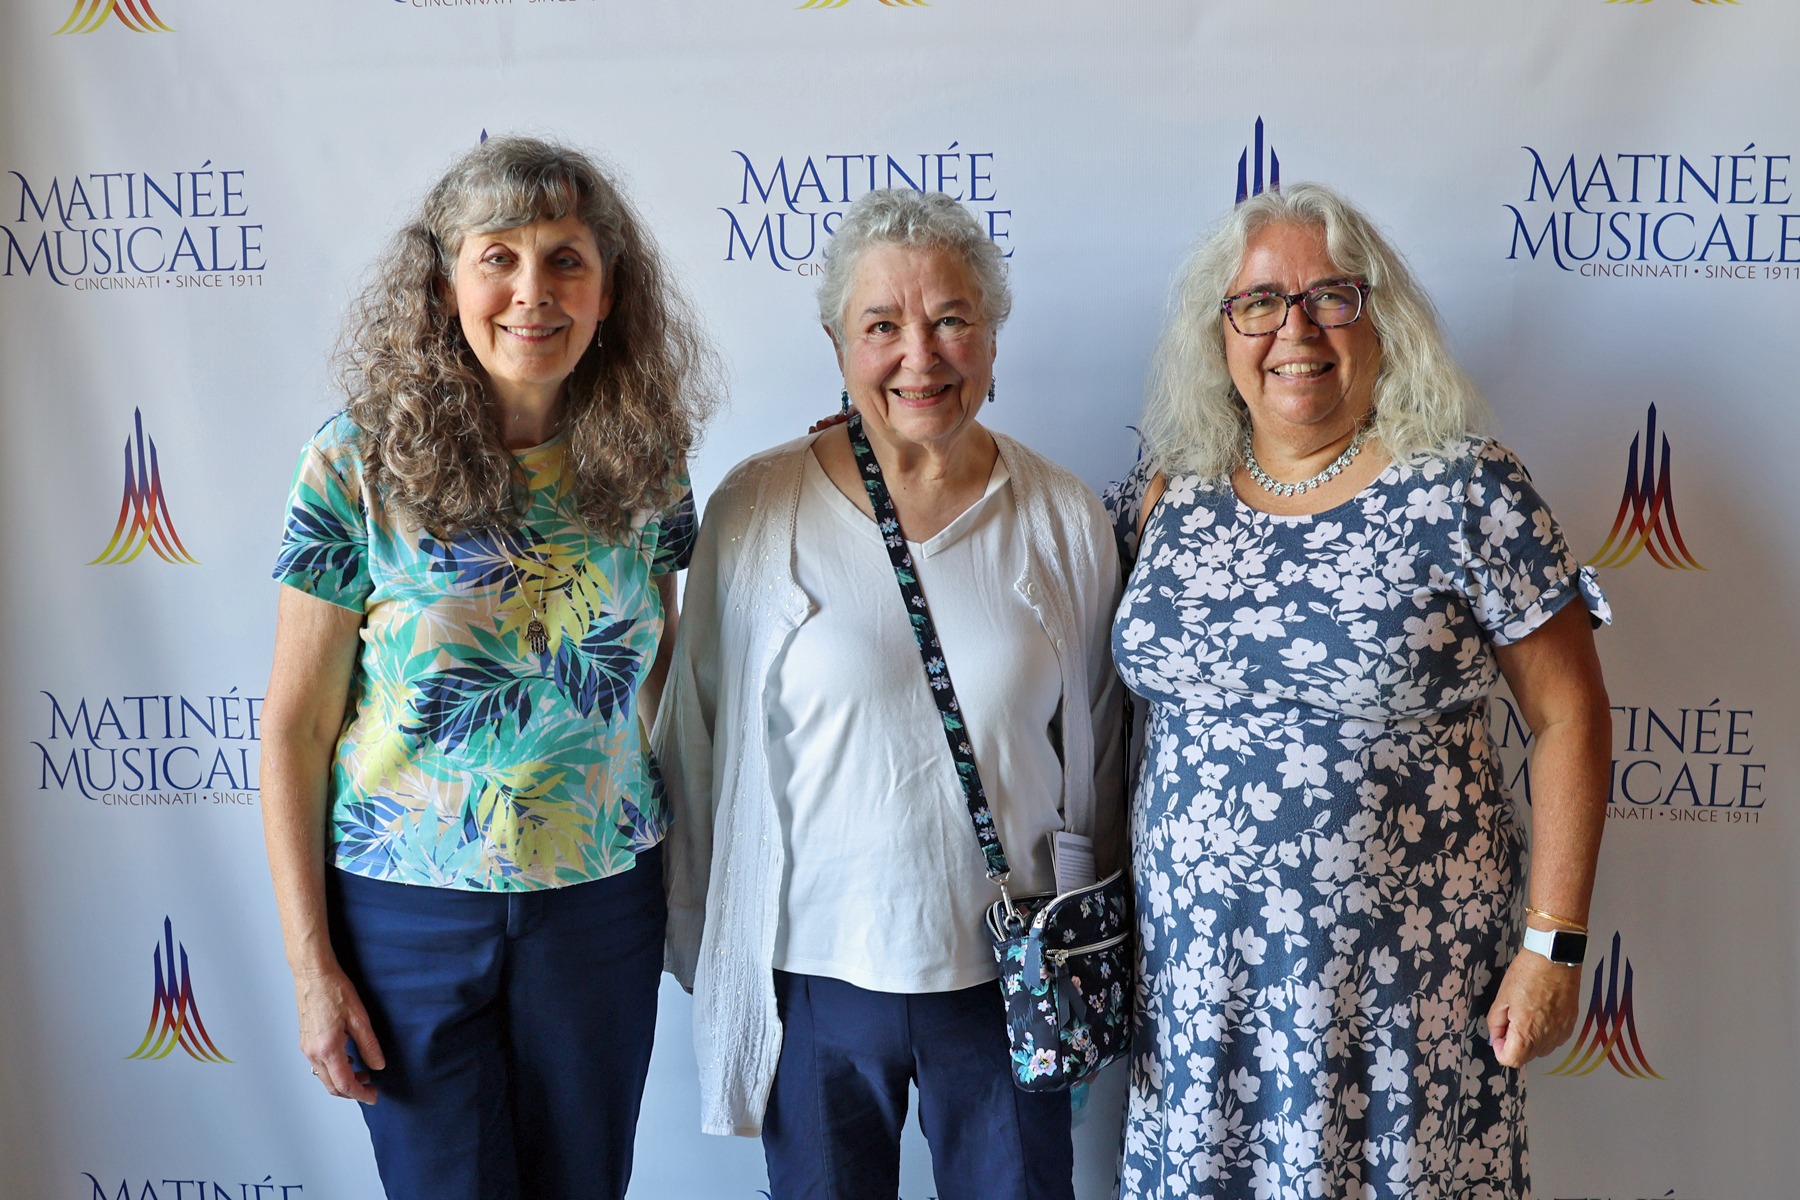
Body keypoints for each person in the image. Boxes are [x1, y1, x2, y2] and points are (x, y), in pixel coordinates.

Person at [1109, 182, 1611, 1199]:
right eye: (1258, 304)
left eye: (1331, 297)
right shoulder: (1172, 495)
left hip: (1399, 1010)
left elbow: (1569, 716)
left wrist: (1552, 947)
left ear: (1383, 320)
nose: (1294, 329)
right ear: (1221, 337)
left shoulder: (1467, 489)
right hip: (1203, 1002)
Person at [259, 134, 715, 1200]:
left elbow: (660, 681)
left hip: (600, 907)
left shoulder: (648, 465)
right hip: (406, 917)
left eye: (566, 258)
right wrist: (309, 968)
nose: (531, 290)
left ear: (609, 293)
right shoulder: (353, 462)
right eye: (497, 256)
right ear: (445, 282)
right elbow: (291, 729)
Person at [659, 188, 1125, 1200]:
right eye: (883, 326)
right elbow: (694, 743)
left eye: (953, 319)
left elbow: (1100, 743)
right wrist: (713, 946)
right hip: (815, 979)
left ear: (993, 339)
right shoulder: (758, 507)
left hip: (1009, 982)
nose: (921, 356)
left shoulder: (1061, 516)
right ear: (838, 343)